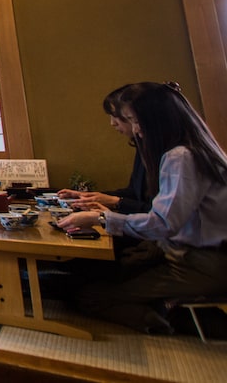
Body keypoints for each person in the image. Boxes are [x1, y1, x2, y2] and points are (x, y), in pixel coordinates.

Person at [56, 82, 227, 334]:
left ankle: (170, 320)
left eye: (134, 120)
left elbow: (163, 223)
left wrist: (100, 218)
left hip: (202, 263)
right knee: (100, 274)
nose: (134, 129)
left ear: (157, 120)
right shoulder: (196, 150)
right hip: (190, 255)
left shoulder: (180, 157)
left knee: (90, 295)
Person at [56, 84, 152, 214]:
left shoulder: (172, 155)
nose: (113, 123)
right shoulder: (143, 147)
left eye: (116, 115)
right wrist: (89, 197)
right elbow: (134, 192)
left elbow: (161, 217)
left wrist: (115, 202)